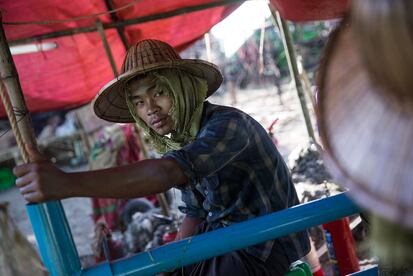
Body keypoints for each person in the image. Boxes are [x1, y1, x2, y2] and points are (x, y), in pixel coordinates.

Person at [14, 39, 310, 275]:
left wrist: (67, 184)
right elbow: (194, 212)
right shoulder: (186, 139)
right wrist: (173, 264)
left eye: (159, 93)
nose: (150, 109)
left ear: (183, 89)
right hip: (227, 243)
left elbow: (167, 173)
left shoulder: (228, 125)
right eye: (139, 102)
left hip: (264, 248)